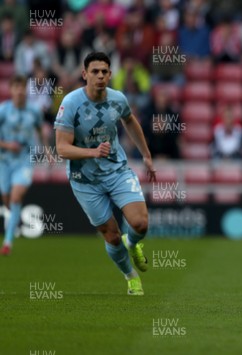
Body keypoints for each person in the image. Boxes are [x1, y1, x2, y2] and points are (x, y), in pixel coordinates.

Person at [54, 52, 156, 295]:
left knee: (140, 223)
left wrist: (146, 155)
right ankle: (130, 276)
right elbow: (61, 148)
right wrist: (93, 152)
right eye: (95, 71)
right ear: (84, 74)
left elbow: (130, 121)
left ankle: (131, 243)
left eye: (104, 72)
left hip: (117, 170)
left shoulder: (118, 99)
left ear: (110, 74)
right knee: (111, 235)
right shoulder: (71, 103)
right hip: (85, 180)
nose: (100, 76)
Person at [0, 75, 45, 255]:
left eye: (22, 87)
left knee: (16, 197)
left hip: (24, 161)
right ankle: (14, 216)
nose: (19, 91)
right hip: (4, 161)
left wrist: (47, 150)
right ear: (11, 90)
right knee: (7, 200)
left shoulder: (34, 111)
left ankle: (8, 242)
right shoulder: (3, 110)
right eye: (16, 87)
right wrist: (7, 145)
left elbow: (40, 131)